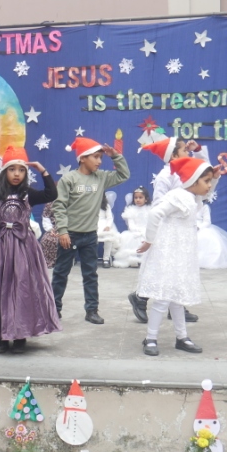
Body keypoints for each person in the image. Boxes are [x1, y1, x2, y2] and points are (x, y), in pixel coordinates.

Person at [0, 146, 60, 354]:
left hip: (22, 247)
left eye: (21, 170)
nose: (17, 174)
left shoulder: (28, 194)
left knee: (22, 289)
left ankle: (20, 335)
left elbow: (51, 193)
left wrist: (43, 170)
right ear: (4, 172)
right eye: (12, 169)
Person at [136, 157, 217, 356]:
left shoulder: (193, 197)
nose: (209, 185)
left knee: (177, 297)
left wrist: (215, 178)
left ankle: (182, 337)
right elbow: (155, 214)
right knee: (164, 297)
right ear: (193, 180)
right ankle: (151, 338)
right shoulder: (178, 196)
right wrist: (149, 240)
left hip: (182, 252)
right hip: (168, 252)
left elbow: (205, 194)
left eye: (210, 181)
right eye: (206, 181)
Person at [51, 137, 130, 324]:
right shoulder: (69, 179)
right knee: (61, 273)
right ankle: (53, 309)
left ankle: (92, 310)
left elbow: (124, 175)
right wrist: (63, 231)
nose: (99, 161)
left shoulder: (101, 177)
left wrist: (115, 156)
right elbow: (59, 206)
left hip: (89, 236)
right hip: (69, 236)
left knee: (90, 274)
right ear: (82, 158)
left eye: (100, 157)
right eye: (95, 157)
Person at [128, 136, 204, 323]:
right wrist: (175, 206)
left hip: (181, 228)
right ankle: (140, 298)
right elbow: (158, 205)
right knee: (162, 268)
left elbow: (205, 172)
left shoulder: (186, 171)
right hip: (167, 229)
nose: (188, 152)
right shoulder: (165, 176)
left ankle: (177, 306)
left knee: (179, 267)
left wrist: (198, 150)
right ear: (173, 156)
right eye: (184, 150)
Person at [113, 186, 150, 268]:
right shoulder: (130, 210)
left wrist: (144, 231)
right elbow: (131, 225)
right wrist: (138, 231)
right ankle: (132, 260)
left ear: (146, 199)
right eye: (136, 198)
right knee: (132, 238)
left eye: (140, 197)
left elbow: (150, 224)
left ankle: (143, 260)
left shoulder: (149, 210)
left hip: (145, 231)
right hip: (134, 232)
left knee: (146, 238)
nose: (138, 200)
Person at [97, 192, 121, 268]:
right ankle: (92, 258)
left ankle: (106, 259)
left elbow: (109, 218)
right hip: (94, 225)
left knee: (108, 238)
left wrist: (108, 226)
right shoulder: (90, 205)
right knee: (92, 240)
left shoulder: (106, 206)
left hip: (104, 225)